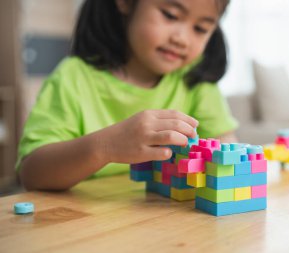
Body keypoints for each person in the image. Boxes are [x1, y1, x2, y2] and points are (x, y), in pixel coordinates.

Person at [17, 0, 238, 191]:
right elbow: (32, 174)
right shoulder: (72, 78)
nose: (182, 39)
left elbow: (224, 145)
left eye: (200, 28)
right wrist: (106, 147)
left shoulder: (195, 79)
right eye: (170, 15)